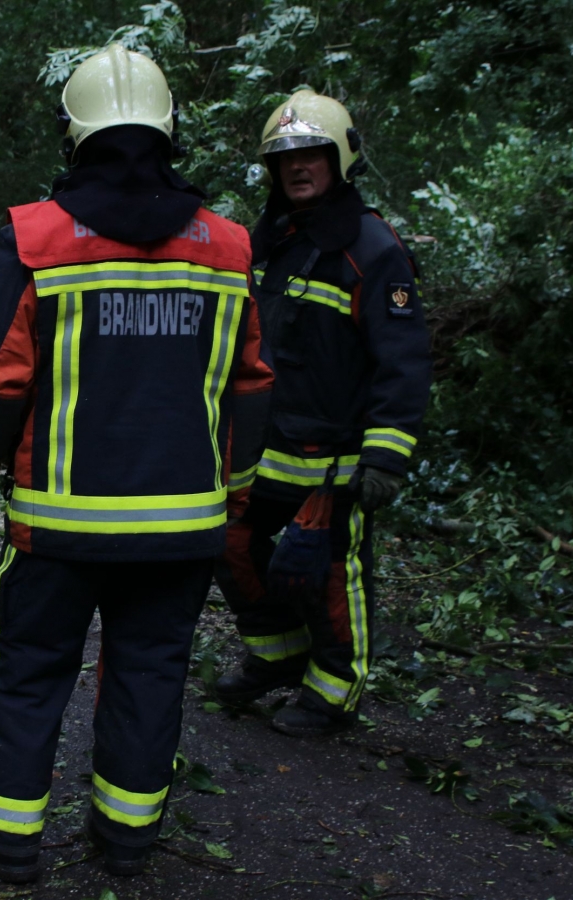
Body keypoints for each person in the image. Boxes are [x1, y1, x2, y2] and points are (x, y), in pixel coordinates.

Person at [0, 44, 272, 882]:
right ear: (169, 130)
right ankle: (127, 838)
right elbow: (251, 384)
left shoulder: (38, 237)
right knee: (152, 673)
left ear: (74, 134)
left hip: (58, 527)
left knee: (26, 671)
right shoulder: (228, 247)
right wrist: (234, 492)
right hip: (184, 527)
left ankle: (7, 841)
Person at [213, 90, 432, 736]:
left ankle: (335, 690)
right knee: (230, 542)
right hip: (263, 449)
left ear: (339, 159)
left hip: (333, 460)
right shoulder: (267, 242)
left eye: (311, 154)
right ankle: (277, 655)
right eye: (285, 158)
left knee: (330, 572)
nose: (297, 167)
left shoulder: (372, 248)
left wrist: (385, 456)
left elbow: (404, 360)